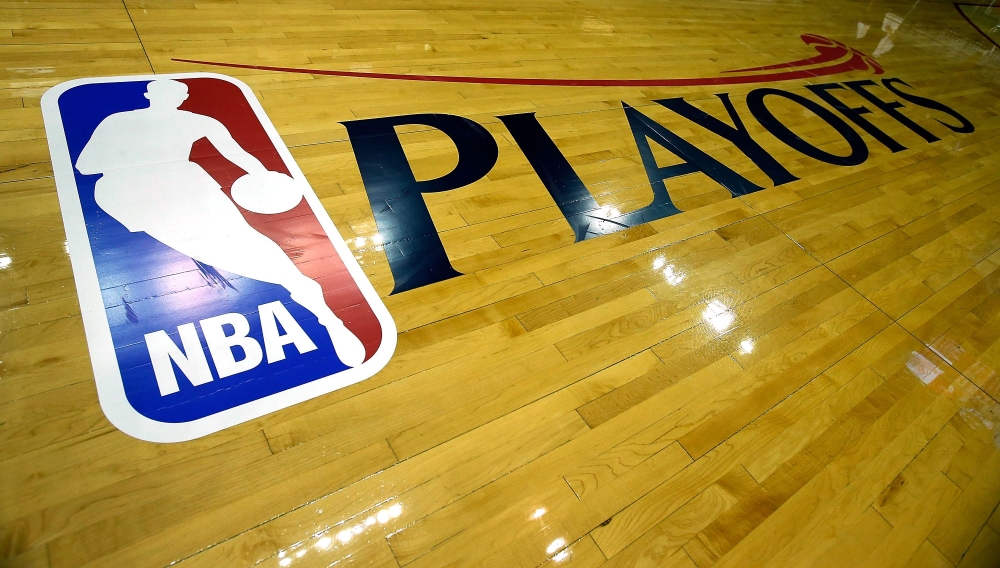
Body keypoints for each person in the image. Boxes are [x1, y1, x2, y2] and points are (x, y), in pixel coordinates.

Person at [76, 79, 366, 367]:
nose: (171, 99)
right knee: (214, 249)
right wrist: (144, 161)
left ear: (182, 97)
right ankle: (312, 301)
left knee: (243, 241)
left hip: (180, 185)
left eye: (176, 94)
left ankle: (321, 310)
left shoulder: (190, 122)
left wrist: (264, 178)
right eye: (165, 93)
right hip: (134, 195)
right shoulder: (120, 122)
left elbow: (237, 154)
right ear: (149, 94)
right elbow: (86, 164)